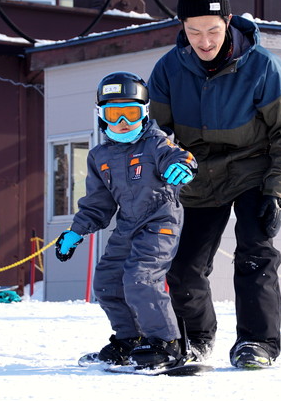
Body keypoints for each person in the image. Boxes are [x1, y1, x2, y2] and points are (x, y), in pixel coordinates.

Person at [147, 0, 281, 368]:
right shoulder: (169, 69)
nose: (204, 41)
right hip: (196, 174)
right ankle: (196, 338)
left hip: (254, 169)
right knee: (183, 267)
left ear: (228, 22)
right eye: (194, 31)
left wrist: (278, 190)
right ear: (182, 26)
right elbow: (152, 133)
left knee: (254, 253)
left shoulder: (262, 65)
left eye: (213, 30)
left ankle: (257, 343)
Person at [55, 71, 198, 371]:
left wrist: (184, 167)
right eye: (114, 114)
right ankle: (130, 339)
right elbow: (97, 205)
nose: (123, 122)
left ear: (144, 113)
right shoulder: (99, 156)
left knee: (140, 278)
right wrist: (75, 232)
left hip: (160, 223)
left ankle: (166, 342)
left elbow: (179, 156)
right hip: (127, 226)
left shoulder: (155, 144)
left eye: (130, 114)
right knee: (106, 281)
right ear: (101, 116)